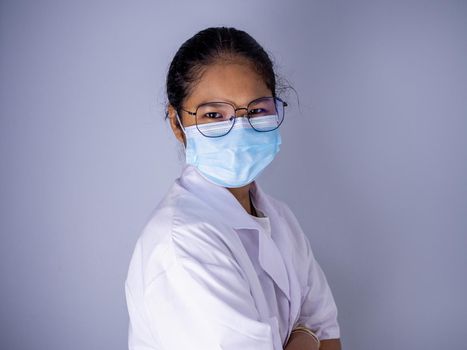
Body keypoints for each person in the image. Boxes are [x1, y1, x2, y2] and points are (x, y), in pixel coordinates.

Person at [125, 27, 341, 350]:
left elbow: (331, 337)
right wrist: (305, 335)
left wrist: (309, 335)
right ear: (176, 124)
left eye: (256, 110)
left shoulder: (280, 219)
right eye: (214, 114)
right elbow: (318, 335)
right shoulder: (181, 244)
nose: (239, 129)